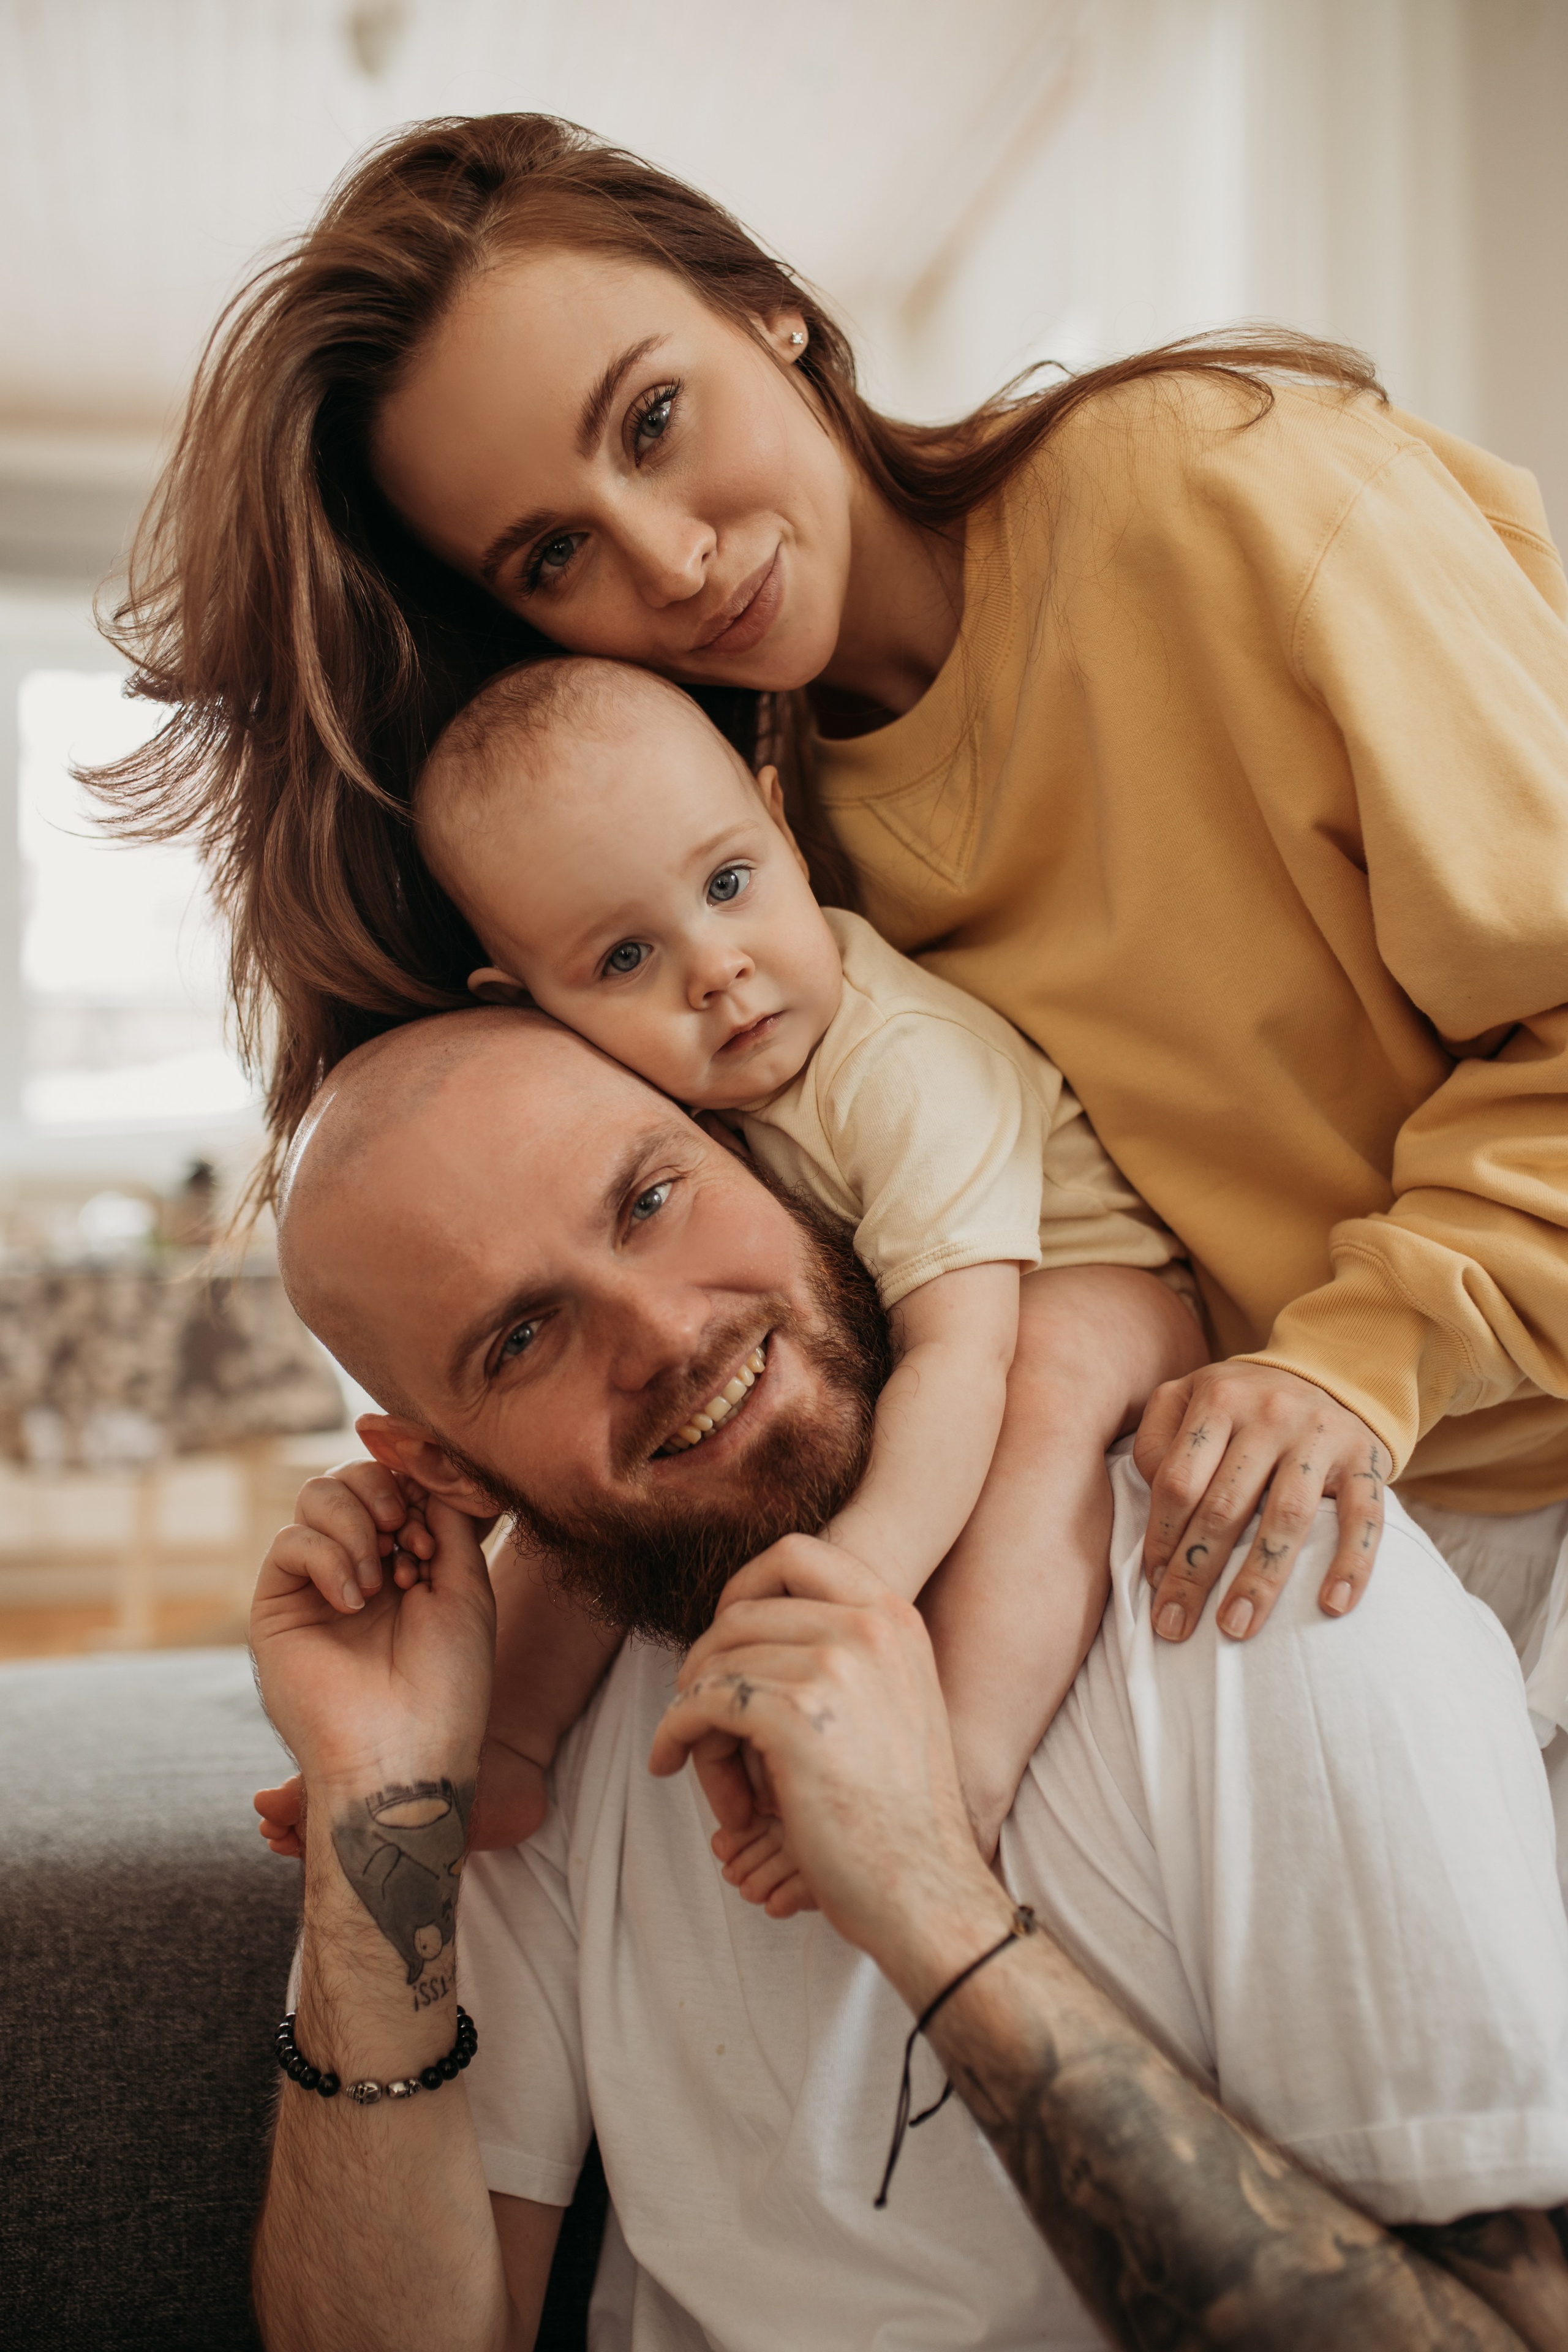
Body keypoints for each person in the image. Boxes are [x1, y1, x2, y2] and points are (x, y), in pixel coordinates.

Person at [92, 117, 1568, 1809]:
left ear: (766, 306)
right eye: (553, 554)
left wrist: (1353, 1367)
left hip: (1480, 1445)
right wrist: (455, 1519)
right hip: (1252, 1528)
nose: (668, 560)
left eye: (655, 420)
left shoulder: (1226, 492)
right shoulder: (725, 856)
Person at [250, 1005, 1568, 2351]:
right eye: (521, 1339)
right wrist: (376, 1798)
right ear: (450, 1474)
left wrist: (929, 1894)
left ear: (762, 1150)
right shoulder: (518, 1715)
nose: (659, 1332)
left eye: (651, 1199)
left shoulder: (1246, 1563)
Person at [385, 649, 1199, 1882]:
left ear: (782, 827)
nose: (714, 968)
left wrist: (858, 1575)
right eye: (621, 961)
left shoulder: (906, 1066)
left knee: (1038, 1387)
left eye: (726, 882)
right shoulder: (644, 1101)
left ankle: (959, 1780)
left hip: (1081, 1284)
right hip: (893, 1302)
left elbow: (957, 1350)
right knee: (593, 1477)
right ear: (535, 1008)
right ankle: (502, 1747)